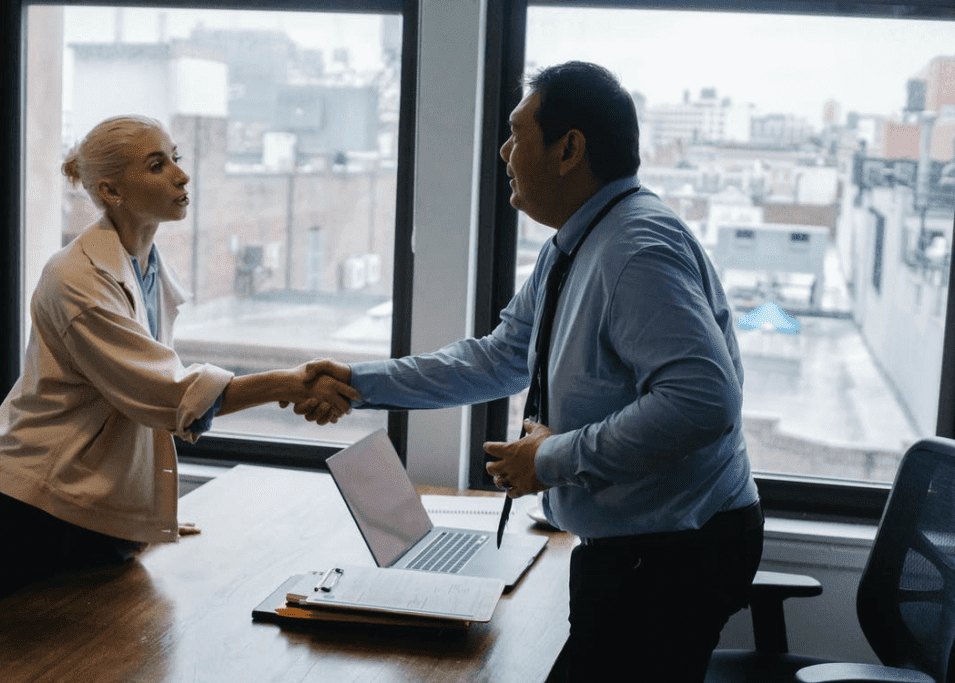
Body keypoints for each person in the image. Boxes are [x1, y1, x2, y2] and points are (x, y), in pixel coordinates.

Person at [299, 62, 763, 681]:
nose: (503, 151)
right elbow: (500, 358)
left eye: (518, 133)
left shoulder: (638, 249)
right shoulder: (577, 242)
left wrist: (550, 459)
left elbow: (703, 401)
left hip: (673, 553)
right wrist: (360, 382)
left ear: (569, 149)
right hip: (637, 549)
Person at [0, 115, 358, 618]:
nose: (181, 175)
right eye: (157, 165)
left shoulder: (143, 265)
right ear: (111, 190)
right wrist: (289, 382)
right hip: (31, 515)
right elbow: (165, 394)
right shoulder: (76, 280)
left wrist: (146, 508)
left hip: (85, 506)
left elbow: (142, 398)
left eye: (176, 158)